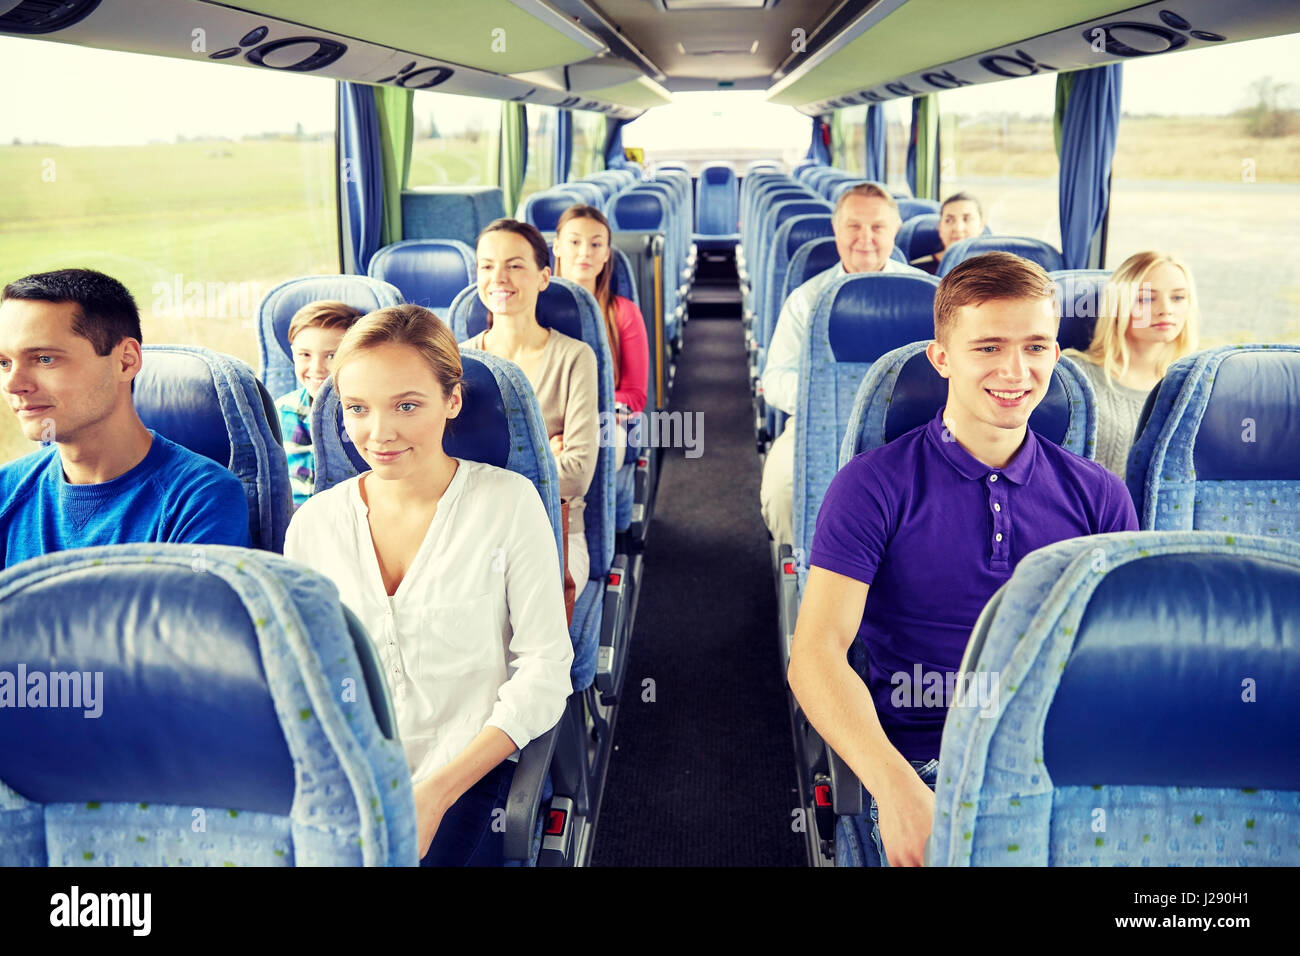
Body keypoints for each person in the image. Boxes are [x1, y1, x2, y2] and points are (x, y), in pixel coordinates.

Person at [787, 252, 1138, 868]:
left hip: (1062, 761)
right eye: (989, 347)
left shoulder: (1100, 495)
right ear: (942, 358)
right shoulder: (871, 487)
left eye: (1035, 347)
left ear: (1057, 355)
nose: (1016, 370)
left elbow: (1121, 660)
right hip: (928, 764)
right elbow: (815, 655)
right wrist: (896, 790)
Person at [283, 304, 573, 866]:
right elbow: (304, 679)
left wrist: (434, 795)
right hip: (350, 778)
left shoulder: (509, 504)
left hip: (469, 774)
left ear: (452, 400)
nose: (379, 433)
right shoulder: (313, 525)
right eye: (358, 409)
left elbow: (544, 669)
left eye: (407, 405)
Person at [0, 268, 251, 568]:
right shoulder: (6, 491)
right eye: (3, 362)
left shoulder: (201, 500)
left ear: (125, 361)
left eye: (45, 359)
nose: (14, 385)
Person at [760, 182, 928, 548]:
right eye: (853, 226)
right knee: (783, 490)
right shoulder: (807, 300)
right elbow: (774, 381)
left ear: (895, 230)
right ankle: (804, 570)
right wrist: (830, 399)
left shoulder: (932, 295)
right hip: (819, 424)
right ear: (836, 230)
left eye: (878, 227)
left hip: (919, 430)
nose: (865, 238)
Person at [463, 219, 599, 588]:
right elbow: (440, 471)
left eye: (515, 265)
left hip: (553, 527)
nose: (499, 278)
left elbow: (577, 475)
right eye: (487, 266)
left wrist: (483, 470)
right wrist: (544, 459)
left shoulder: (575, 357)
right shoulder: (459, 361)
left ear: (543, 277)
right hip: (472, 531)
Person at [1062, 251, 1199, 479]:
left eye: (1178, 298)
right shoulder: (1074, 378)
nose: (1166, 309)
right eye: (1146, 298)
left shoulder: (1195, 382)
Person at [553, 204, 650, 471]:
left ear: (606, 254)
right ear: (557, 247)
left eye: (596, 245)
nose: (585, 252)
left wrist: (582, 421)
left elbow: (635, 396)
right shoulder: (532, 309)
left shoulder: (624, 314)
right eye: (574, 242)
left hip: (603, 422)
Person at [275, 300, 363, 507]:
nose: (317, 368)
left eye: (332, 356)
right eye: (305, 355)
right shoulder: (280, 411)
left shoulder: (363, 415)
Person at [908, 192, 985, 275]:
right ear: (940, 228)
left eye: (966, 219)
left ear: (981, 226)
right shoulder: (916, 271)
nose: (958, 228)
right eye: (949, 220)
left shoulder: (991, 268)